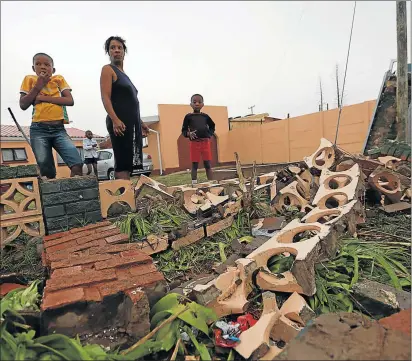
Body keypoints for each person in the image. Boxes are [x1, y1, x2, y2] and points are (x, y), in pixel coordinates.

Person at [19, 53, 83, 179]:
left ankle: (75, 194)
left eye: (46, 65)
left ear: (53, 69)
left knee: (77, 164)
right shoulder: (29, 79)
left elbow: (69, 101)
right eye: (38, 64)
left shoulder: (58, 79)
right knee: (46, 170)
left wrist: (42, 98)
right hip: (39, 130)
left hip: (59, 130)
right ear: (33, 68)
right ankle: (53, 196)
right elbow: (23, 104)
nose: (42, 67)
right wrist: (39, 85)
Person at [100, 36, 150, 180]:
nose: (116, 50)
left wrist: (140, 123)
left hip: (130, 123)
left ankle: (126, 198)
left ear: (124, 51)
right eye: (112, 48)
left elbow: (130, 103)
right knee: (122, 164)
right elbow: (105, 97)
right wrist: (115, 120)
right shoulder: (108, 70)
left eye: (119, 48)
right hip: (119, 124)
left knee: (128, 164)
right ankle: (122, 200)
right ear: (108, 52)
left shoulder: (124, 75)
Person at [181, 94, 215, 186]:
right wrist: (189, 134)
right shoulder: (188, 117)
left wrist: (210, 134)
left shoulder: (205, 117)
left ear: (202, 104)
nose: (197, 104)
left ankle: (211, 183)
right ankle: (194, 184)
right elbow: (183, 131)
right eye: (194, 102)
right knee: (194, 165)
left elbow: (212, 126)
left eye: (199, 102)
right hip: (194, 143)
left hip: (205, 143)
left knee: (207, 164)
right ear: (191, 104)